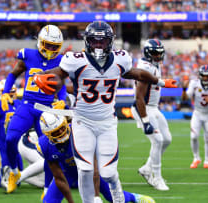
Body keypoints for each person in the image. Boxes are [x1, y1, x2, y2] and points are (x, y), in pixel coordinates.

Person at [34, 21, 177, 203]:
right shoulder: (75, 60)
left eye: (103, 41)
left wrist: (161, 81)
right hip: (82, 121)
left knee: (108, 173)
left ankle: (117, 193)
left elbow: (138, 74)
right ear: (87, 41)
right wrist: (43, 75)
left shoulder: (120, 59)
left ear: (110, 42)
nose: (99, 45)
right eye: (94, 41)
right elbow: (58, 73)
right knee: (85, 170)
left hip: (107, 122)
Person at [1, 24, 67, 193]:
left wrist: (61, 100)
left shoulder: (61, 61)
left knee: (49, 150)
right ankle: (14, 172)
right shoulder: (28, 55)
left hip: (46, 109)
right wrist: (6, 92)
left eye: (55, 46)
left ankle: (47, 190)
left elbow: (62, 84)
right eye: (48, 45)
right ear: (40, 42)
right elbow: (13, 74)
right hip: (28, 105)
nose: (51, 49)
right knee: (10, 138)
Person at [37, 111, 156, 203]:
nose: (61, 133)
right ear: (47, 135)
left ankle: (134, 197)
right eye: (56, 133)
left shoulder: (79, 132)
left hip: (90, 169)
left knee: (112, 197)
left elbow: (94, 165)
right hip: (67, 172)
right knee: (48, 201)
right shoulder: (45, 145)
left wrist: (96, 196)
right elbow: (59, 178)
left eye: (62, 129)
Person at [130, 39, 172, 191]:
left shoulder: (153, 66)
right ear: (147, 53)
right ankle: (156, 177)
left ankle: (147, 169)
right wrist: (146, 120)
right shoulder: (145, 68)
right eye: (155, 53)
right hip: (144, 108)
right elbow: (139, 97)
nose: (158, 56)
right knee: (158, 140)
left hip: (153, 107)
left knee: (167, 139)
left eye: (159, 53)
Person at [181, 65, 208, 169]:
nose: (205, 78)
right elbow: (185, 98)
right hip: (197, 113)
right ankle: (196, 158)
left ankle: (207, 160)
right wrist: (184, 88)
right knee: (193, 137)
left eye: (207, 75)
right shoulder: (194, 84)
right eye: (203, 75)